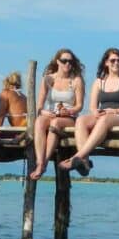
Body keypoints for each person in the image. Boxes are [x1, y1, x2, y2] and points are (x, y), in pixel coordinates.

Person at [58, 48, 119, 176]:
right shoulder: (99, 82)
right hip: (103, 116)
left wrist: (115, 110)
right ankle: (84, 162)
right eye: (112, 60)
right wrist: (96, 112)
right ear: (106, 63)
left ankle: (78, 156)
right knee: (81, 120)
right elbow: (92, 106)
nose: (116, 63)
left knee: (105, 119)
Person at [28, 49, 86, 180]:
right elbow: (40, 105)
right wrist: (43, 112)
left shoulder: (76, 80)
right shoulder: (48, 78)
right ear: (57, 62)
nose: (67, 64)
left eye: (70, 61)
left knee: (56, 123)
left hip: (68, 117)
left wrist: (69, 111)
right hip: (51, 113)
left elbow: (79, 105)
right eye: (64, 61)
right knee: (39, 122)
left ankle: (44, 163)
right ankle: (39, 161)